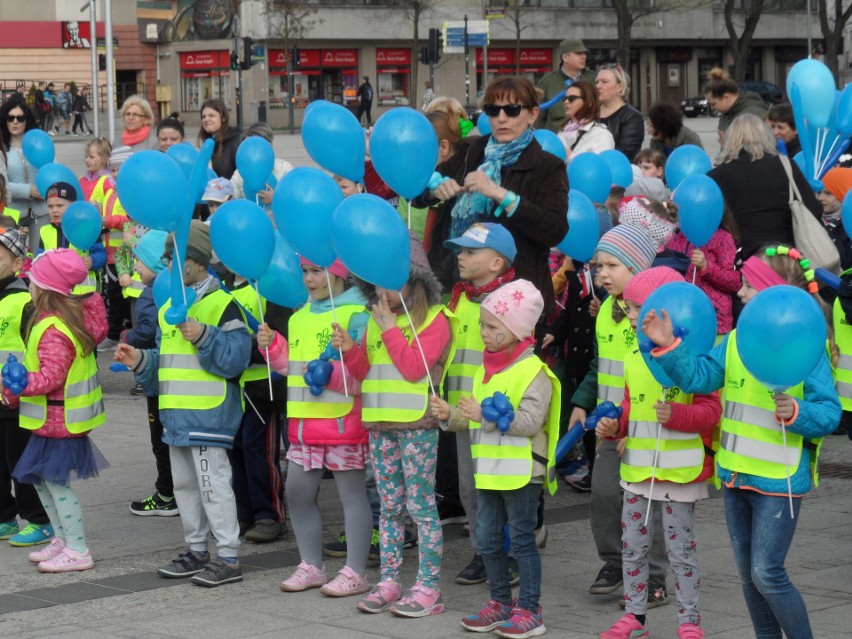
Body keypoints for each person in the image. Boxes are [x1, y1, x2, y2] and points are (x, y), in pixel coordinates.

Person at [643, 245, 841, 639]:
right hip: (736, 478)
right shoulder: (734, 341)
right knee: (749, 579)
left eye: (749, 286)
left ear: (771, 295)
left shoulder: (807, 347)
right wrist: (669, 348)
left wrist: (797, 412)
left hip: (778, 482)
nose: (740, 292)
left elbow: (830, 414)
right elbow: (699, 377)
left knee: (767, 573)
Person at [114, 220, 252, 587]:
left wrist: (204, 335)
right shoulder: (168, 308)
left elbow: (236, 359)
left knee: (214, 487)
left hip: (209, 416)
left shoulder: (224, 305)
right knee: (186, 488)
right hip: (176, 417)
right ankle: (196, 550)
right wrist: (140, 360)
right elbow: (164, 362)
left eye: (172, 258)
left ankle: (228, 556)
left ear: (196, 261)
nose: (167, 266)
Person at [331, 235, 454, 617]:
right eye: (379, 280)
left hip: (416, 425)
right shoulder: (375, 317)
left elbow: (415, 369)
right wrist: (351, 351)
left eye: (393, 278)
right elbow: (366, 373)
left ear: (415, 279)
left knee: (420, 506)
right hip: (380, 424)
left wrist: (387, 328)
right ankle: (389, 581)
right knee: (388, 508)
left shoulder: (435, 320)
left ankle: (428, 587)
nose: (384, 288)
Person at [596, 266, 720, 639]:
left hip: (680, 474)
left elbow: (711, 411)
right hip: (638, 470)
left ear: (664, 309)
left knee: (681, 553)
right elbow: (633, 404)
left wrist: (680, 415)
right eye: (628, 307)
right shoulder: (634, 354)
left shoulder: (695, 354)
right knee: (632, 547)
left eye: (636, 308)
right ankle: (635, 616)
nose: (630, 315)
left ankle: (688, 622)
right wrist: (615, 425)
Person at [431, 279, 559, 639]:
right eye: (482, 325)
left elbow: (531, 422)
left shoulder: (534, 371)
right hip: (488, 471)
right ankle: (501, 603)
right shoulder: (483, 369)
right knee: (486, 538)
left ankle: (531, 610)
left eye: (492, 327)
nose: (483, 333)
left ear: (518, 330)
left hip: (521, 472)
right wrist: (449, 413)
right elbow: (470, 418)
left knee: (521, 540)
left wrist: (481, 416)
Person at [568, 224, 671, 605]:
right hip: (610, 426)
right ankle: (614, 562)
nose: (602, 273)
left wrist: (635, 425)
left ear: (639, 267)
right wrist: (581, 403)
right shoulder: (607, 311)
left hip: (646, 427)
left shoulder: (652, 316)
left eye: (612, 265)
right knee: (604, 497)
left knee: (648, 507)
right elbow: (600, 366)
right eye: (598, 266)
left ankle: (655, 575)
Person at [258, 257, 373, 595]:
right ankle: (312, 565)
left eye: (317, 272)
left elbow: (365, 372)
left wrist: (334, 376)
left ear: (339, 274)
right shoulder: (298, 317)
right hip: (305, 426)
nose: (309, 279)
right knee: (296, 493)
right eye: (305, 272)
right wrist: (275, 349)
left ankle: (356, 570)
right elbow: (294, 368)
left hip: (343, 424)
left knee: (352, 496)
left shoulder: (358, 315)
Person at [420, 76, 568, 314]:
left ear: (532, 115)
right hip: (459, 284)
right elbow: (418, 193)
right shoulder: (472, 150)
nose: (501, 118)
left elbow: (555, 230)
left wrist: (501, 194)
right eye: (493, 109)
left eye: (512, 110)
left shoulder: (547, 166)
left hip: (515, 295)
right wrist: (435, 185)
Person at [9, 248, 108, 572]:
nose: (29, 287)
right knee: (41, 481)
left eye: (33, 282)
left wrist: (21, 381)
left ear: (45, 290)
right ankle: (63, 539)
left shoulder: (53, 328)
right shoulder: (50, 321)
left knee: (56, 485)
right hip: (49, 421)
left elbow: (53, 376)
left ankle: (78, 549)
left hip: (60, 420)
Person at [442, 222, 518, 586]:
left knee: (502, 486)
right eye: (460, 250)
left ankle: (513, 552)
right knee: (469, 487)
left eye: (471, 251)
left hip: (497, 413)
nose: (461, 256)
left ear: (497, 263)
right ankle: (483, 550)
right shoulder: (458, 298)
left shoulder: (512, 300)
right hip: (463, 410)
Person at [0, 229, 54, 548]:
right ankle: (5, 517)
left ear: (18, 262)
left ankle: (38, 519)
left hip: (18, 398)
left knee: (19, 460)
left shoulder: (23, 301)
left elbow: (37, 349)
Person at [708, 114, 822, 261]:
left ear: (730, 140)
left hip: (738, 257)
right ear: (765, 136)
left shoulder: (717, 176)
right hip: (785, 254)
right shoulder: (785, 166)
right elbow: (814, 210)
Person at [123, 230, 179, 516]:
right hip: (169, 377)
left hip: (155, 377)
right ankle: (174, 490)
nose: (135, 268)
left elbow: (146, 333)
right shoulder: (172, 288)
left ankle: (167, 493)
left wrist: (127, 336)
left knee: (161, 440)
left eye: (139, 262)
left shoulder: (152, 293)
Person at [666, 203, 741, 335]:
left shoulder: (723, 238)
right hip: (681, 317)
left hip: (715, 321)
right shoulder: (675, 238)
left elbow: (734, 282)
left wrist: (707, 267)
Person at [40, 182, 106, 297]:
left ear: (74, 206)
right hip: (54, 290)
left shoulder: (86, 228)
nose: (54, 210)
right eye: (50, 206)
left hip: (83, 293)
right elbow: (39, 256)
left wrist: (92, 260)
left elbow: (101, 254)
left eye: (60, 206)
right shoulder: (45, 230)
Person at [1, 93, 47, 252]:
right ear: (4, 120)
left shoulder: (39, 145)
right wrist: (29, 190)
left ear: (27, 121)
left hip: (40, 212)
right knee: (14, 263)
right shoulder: (2, 149)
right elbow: (2, 185)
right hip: (11, 216)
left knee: (40, 260)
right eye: (10, 117)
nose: (15, 121)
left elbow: (52, 170)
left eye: (20, 118)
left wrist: (47, 187)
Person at [100, 146, 135, 350]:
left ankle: (118, 334)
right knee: (114, 296)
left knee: (125, 296)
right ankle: (117, 333)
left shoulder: (131, 193)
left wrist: (110, 220)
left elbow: (132, 219)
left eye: (119, 169)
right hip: (111, 254)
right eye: (112, 170)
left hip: (128, 254)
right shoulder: (110, 192)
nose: (115, 174)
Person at [536, 38, 597, 132]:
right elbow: (538, 118)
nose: (584, 57)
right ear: (565, 57)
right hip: (556, 141)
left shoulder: (594, 79)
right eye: (578, 53)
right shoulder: (547, 82)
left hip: (588, 139)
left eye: (584, 53)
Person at [230, 122, 294, 204]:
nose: (252, 151)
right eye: (247, 147)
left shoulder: (284, 168)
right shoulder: (240, 173)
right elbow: (231, 199)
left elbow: (294, 197)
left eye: (256, 146)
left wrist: (276, 198)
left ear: (269, 145)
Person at [703, 68, 767, 144]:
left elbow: (756, 148)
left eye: (713, 103)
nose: (712, 108)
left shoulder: (753, 115)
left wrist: (728, 145)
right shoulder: (727, 112)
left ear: (726, 97)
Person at [596, 65, 645, 162]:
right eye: (596, 82)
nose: (598, 86)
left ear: (620, 86)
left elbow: (623, 153)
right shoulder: (589, 113)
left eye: (604, 81)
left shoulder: (632, 117)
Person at [558, 80, 615, 162]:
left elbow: (600, 168)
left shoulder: (601, 134)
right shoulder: (562, 132)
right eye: (564, 98)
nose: (566, 102)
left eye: (571, 98)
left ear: (589, 103)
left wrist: (569, 156)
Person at [816, 167, 852, 272]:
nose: (820, 198)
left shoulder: (848, 225)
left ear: (843, 194)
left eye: (828, 193)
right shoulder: (813, 219)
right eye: (819, 192)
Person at [198, 99, 241, 179]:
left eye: (211, 115)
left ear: (223, 117)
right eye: (203, 116)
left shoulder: (236, 142)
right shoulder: (208, 143)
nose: (206, 119)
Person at [78, 137, 113, 213]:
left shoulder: (108, 181)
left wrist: (99, 207)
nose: (87, 160)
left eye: (91, 157)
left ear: (104, 159)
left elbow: (112, 207)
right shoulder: (81, 180)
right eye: (86, 156)